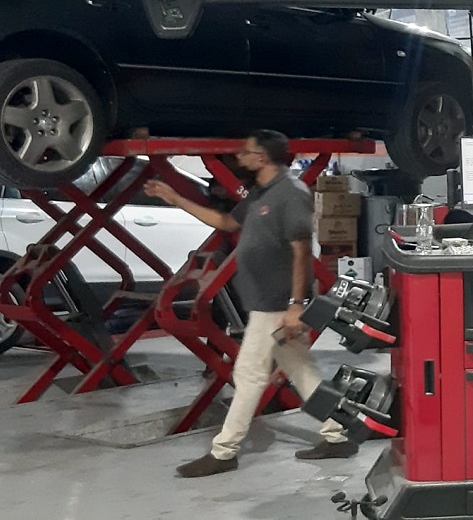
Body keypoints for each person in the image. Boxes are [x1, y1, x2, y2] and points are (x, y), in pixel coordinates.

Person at [144, 130, 358, 478]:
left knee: (248, 374)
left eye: (246, 152)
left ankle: (224, 451)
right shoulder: (260, 193)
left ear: (262, 157)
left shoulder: (291, 193)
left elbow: (302, 251)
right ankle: (338, 435)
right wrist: (175, 198)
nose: (239, 157)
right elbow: (225, 222)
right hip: (267, 302)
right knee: (302, 372)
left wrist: (296, 304)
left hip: (277, 304)